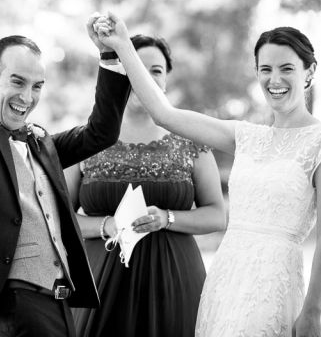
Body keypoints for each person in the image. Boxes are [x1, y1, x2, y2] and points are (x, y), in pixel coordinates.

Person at [93, 12, 321, 337]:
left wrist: (312, 310)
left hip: (275, 281)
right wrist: (122, 44)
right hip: (225, 279)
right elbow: (164, 114)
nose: (275, 80)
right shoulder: (244, 135)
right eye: (265, 69)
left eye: (287, 68)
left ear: (309, 71)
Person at [0, 16, 131, 337]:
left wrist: (110, 55)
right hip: (11, 305)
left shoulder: (42, 143)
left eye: (37, 86)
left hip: (59, 303)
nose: (27, 97)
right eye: (17, 82)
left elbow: (101, 133)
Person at [64, 34, 226, 337]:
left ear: (166, 80)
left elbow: (217, 215)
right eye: (135, 66)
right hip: (99, 282)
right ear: (121, 71)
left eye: (156, 70)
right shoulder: (85, 141)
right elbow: (58, 219)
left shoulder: (192, 140)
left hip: (175, 280)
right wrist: (106, 225)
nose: (146, 77)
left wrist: (168, 218)